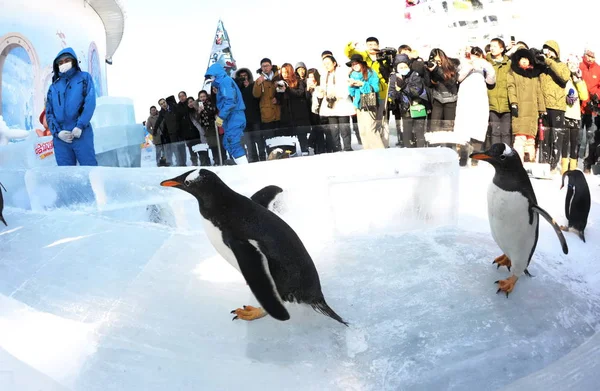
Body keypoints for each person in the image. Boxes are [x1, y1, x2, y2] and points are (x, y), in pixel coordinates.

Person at [45, 47, 97, 166]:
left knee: (89, 169)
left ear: (74, 61)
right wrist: (57, 133)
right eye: (60, 62)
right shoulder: (53, 87)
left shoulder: (84, 78)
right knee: (66, 175)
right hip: (61, 139)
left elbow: (90, 102)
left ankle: (93, 186)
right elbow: (49, 113)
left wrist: (80, 126)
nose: (64, 64)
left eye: (67, 60)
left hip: (81, 133)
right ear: (57, 65)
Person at [204, 63, 248, 164]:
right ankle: (240, 164)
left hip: (234, 116)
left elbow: (230, 101)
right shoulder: (223, 83)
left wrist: (221, 117)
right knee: (227, 142)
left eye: (212, 76)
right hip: (230, 117)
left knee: (233, 142)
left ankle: (244, 167)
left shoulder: (225, 81)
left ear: (216, 74)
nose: (211, 79)